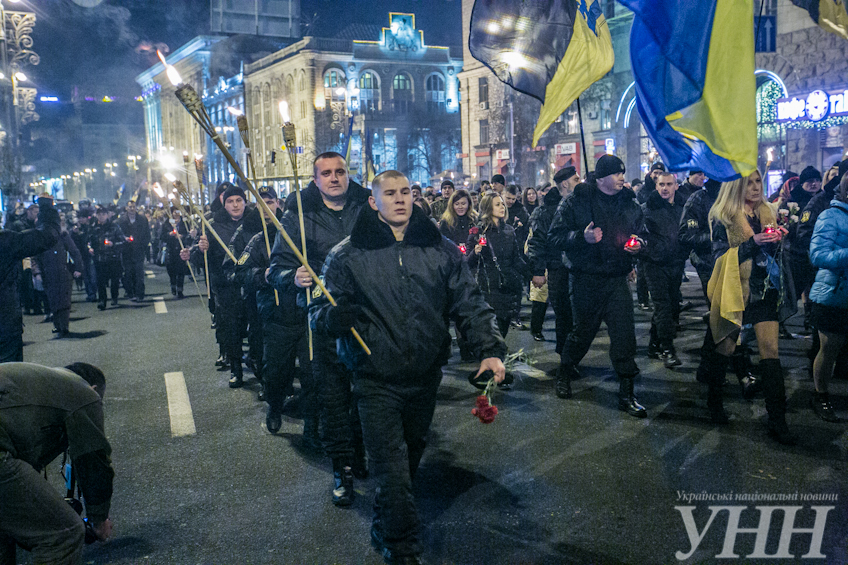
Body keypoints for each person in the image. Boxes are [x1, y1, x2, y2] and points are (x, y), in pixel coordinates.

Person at [310, 170, 506, 565]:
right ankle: (401, 547)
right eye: (390, 193)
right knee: (392, 470)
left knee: (410, 460)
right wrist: (333, 317)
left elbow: (469, 302)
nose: (400, 200)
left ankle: (386, 521)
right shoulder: (347, 255)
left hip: (425, 376)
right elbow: (317, 310)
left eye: (405, 193)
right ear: (373, 200)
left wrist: (489, 348)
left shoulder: (441, 249)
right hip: (374, 378)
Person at [267, 151, 371, 506]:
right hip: (321, 321)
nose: (334, 178)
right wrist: (293, 276)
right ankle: (341, 467)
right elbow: (276, 267)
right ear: (315, 180)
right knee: (333, 399)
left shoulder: (367, 207)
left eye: (340, 171)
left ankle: (360, 454)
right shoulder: (299, 215)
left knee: (367, 396)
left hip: (365, 318)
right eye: (326, 173)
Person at [697, 170, 796, 442]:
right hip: (736, 289)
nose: (754, 188)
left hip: (765, 287)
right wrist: (753, 243)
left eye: (757, 182)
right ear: (735, 187)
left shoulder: (768, 212)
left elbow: (774, 251)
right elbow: (718, 258)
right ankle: (714, 402)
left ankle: (778, 420)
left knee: (771, 351)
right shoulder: (724, 216)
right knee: (726, 347)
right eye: (748, 183)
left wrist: (779, 238)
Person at [548, 155, 647, 416]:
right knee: (582, 333)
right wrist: (582, 237)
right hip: (586, 278)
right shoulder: (577, 200)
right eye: (616, 173)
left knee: (624, 336)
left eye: (623, 173)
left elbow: (641, 231)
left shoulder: (629, 201)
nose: (621, 178)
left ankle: (627, 394)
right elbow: (554, 236)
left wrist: (637, 244)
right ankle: (564, 373)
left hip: (616, 278)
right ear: (601, 178)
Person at [0, 362, 114, 563]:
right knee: (63, 534)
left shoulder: (39, 383)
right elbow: (93, 461)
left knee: (6, 525)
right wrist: (98, 518)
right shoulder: (84, 393)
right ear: (95, 389)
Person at [467, 192, 525, 387]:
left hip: (508, 286)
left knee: (503, 328)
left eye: (502, 204)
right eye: (497, 204)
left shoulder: (509, 230)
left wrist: (532, 273)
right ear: (487, 207)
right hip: (488, 286)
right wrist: (475, 253)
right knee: (495, 331)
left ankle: (492, 371)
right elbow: (467, 263)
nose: (502, 207)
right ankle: (489, 372)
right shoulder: (478, 231)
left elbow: (516, 258)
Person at [808, 172, 848, 422]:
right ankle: (820, 395)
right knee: (829, 350)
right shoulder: (829, 216)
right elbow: (818, 255)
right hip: (834, 296)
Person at [526, 166, 578, 355]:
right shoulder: (544, 212)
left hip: (578, 269)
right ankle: (565, 355)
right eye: (576, 180)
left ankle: (571, 353)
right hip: (557, 269)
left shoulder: (578, 205)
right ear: (565, 184)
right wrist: (538, 271)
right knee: (564, 314)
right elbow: (536, 242)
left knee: (576, 315)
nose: (579, 183)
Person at [0, 196, 60, 362]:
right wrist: (47, 207)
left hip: (6, 325)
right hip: (5, 327)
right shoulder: (5, 242)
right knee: (9, 379)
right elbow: (47, 236)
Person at [640, 172, 686, 368]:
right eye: (661, 184)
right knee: (663, 305)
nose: (665, 188)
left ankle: (653, 343)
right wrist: (648, 250)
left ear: (676, 186)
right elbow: (639, 235)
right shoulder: (646, 209)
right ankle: (667, 349)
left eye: (669, 184)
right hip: (654, 264)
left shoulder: (683, 208)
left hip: (676, 263)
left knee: (671, 305)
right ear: (656, 186)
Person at [33, 211, 84, 338]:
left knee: (64, 300)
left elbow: (74, 251)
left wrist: (78, 268)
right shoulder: (40, 238)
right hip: (48, 274)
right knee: (53, 300)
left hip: (63, 272)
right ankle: (58, 325)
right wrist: (37, 272)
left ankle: (64, 326)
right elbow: (35, 258)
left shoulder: (63, 236)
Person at [88, 206, 125, 311]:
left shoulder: (114, 227)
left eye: (103, 214)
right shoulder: (94, 228)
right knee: (100, 282)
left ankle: (114, 296)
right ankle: (102, 300)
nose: (101, 216)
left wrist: (113, 244)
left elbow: (122, 241)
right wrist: (89, 248)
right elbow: (88, 241)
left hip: (113, 258)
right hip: (99, 259)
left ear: (107, 215)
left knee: (114, 280)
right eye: (99, 214)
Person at [116, 199, 150, 302]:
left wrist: (143, 245)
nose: (132, 209)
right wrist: (124, 239)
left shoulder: (143, 220)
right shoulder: (121, 220)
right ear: (127, 208)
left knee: (139, 273)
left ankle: (140, 293)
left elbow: (147, 234)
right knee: (128, 273)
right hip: (127, 251)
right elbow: (118, 234)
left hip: (139, 250)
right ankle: (131, 292)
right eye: (130, 207)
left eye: (133, 207)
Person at [162, 209, 191, 298]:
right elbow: (162, 236)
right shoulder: (167, 223)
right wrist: (169, 234)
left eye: (178, 212)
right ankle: (173, 284)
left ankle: (180, 289)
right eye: (175, 212)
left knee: (181, 270)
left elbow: (188, 235)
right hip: (171, 250)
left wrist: (182, 236)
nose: (176, 214)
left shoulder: (184, 222)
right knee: (171, 269)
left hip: (181, 249)